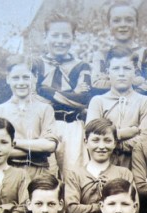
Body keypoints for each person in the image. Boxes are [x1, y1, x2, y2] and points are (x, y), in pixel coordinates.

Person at [33, 13, 92, 174]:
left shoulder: (82, 66)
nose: (60, 40)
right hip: (43, 126)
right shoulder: (36, 64)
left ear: (73, 37)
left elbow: (82, 100)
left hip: (71, 126)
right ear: (45, 37)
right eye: (55, 35)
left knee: (73, 175)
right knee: (45, 176)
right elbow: (32, 98)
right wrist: (71, 94)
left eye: (65, 36)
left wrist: (45, 91)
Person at [0, 55, 59, 180]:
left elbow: (50, 145)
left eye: (26, 77)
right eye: (16, 78)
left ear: (35, 78)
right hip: (7, 173)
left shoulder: (45, 109)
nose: (21, 83)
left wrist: (13, 143)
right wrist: (38, 149)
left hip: (38, 173)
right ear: (8, 79)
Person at [65, 118, 135, 213]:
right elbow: (72, 211)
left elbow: (134, 211)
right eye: (96, 140)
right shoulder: (75, 174)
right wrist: (104, 207)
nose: (101, 146)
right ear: (86, 142)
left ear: (115, 143)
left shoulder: (124, 173)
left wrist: (88, 210)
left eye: (107, 140)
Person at [86, 46, 147, 168]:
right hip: (103, 167)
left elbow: (146, 139)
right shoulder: (98, 101)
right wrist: (130, 132)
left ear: (135, 72)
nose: (121, 74)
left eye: (126, 68)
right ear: (107, 72)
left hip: (136, 167)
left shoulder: (144, 102)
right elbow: (92, 136)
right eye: (116, 68)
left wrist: (114, 143)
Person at [90, 1, 147, 95]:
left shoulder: (146, 54)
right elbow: (96, 83)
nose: (123, 25)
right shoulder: (101, 54)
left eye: (129, 20)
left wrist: (132, 95)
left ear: (136, 24)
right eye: (116, 20)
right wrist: (131, 83)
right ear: (109, 25)